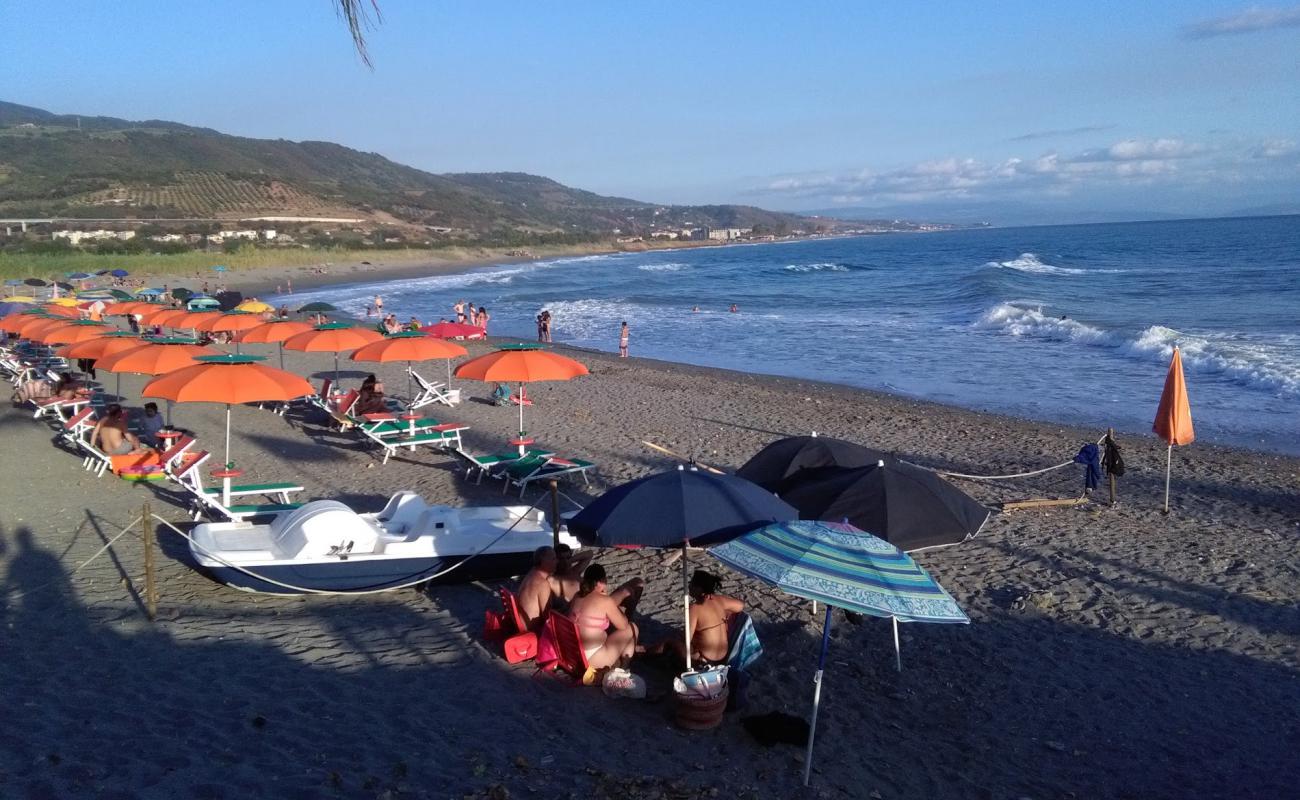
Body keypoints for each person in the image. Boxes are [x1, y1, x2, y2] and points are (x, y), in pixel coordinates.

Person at [651, 570, 743, 667]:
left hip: (703, 660)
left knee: (670, 641)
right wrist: (726, 613)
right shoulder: (720, 600)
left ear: (699, 588)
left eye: (692, 584)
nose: (689, 586)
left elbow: (687, 639)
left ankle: (645, 653)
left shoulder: (695, 608)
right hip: (722, 659)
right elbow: (741, 605)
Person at [568, 564, 641, 670]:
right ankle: (623, 668)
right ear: (599, 582)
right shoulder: (605, 601)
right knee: (632, 628)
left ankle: (623, 663)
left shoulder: (578, 595)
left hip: (572, 652)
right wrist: (620, 610)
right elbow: (623, 625)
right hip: (590, 658)